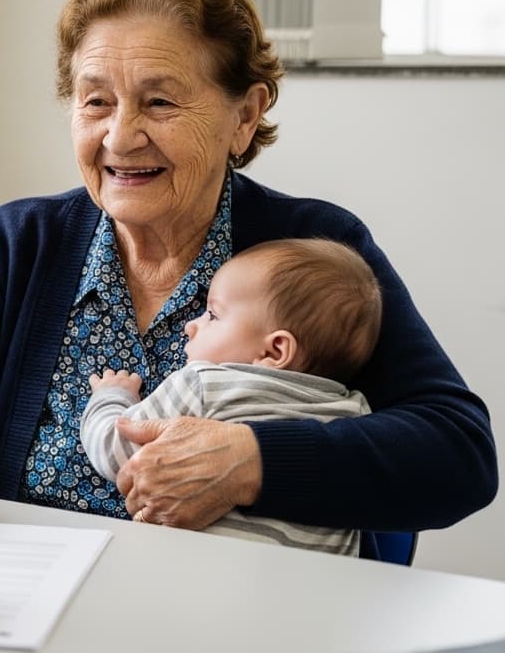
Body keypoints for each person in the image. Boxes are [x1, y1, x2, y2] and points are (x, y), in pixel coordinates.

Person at [0, 0, 497, 561]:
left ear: (245, 115)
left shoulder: (312, 250)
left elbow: (457, 451)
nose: (120, 137)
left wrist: (255, 461)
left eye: (159, 102)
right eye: (96, 101)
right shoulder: (22, 243)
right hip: (40, 602)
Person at [81, 238, 380, 555]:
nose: (191, 326)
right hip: (312, 582)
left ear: (274, 350)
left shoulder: (203, 384)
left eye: (212, 315)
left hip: (193, 573)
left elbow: (114, 451)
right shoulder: (356, 412)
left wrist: (111, 396)